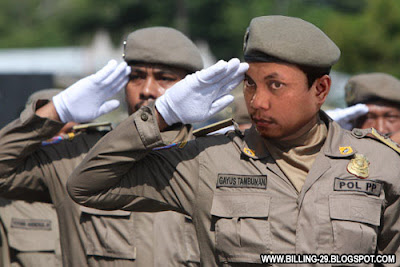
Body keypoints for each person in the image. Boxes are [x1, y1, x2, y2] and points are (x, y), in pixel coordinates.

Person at [68, 15, 400, 266]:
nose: (257, 102)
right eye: (250, 84)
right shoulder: (209, 160)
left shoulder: (381, 164)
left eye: (275, 85)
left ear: (321, 90)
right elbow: (87, 186)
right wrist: (161, 114)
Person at [0, 26, 204, 266]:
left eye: (164, 78)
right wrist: (58, 109)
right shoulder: (78, 157)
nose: (147, 90)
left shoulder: (210, 158)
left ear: (191, 86)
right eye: (136, 77)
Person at [0, 89, 63, 267]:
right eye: (48, 133)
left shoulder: (102, 197)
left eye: (71, 133)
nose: (60, 142)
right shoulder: (8, 203)